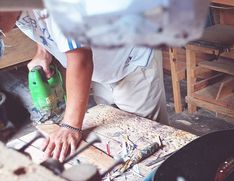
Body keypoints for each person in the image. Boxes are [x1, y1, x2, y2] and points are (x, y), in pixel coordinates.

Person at [1, 11, 169, 162]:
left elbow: (81, 60)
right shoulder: (15, 9)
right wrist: (43, 52)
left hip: (131, 59)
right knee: (113, 130)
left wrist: (70, 126)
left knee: (149, 140)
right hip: (102, 64)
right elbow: (42, 23)